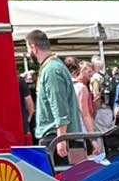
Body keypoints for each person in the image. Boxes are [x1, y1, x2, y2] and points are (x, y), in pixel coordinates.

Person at [26, 30, 85, 166]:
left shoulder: (51, 70)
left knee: (61, 177)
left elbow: (58, 104)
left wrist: (61, 138)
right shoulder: (52, 66)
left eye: (28, 48)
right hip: (60, 136)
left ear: (33, 47)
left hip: (57, 138)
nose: (28, 52)